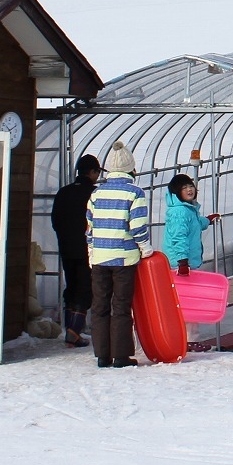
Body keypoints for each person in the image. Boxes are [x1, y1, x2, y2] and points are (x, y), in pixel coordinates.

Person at [86, 142, 151, 368]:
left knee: (100, 305)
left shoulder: (96, 193)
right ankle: (121, 356)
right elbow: (138, 227)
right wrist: (145, 248)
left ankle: (102, 355)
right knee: (121, 306)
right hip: (124, 258)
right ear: (131, 168)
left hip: (99, 258)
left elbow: (90, 226)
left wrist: (91, 250)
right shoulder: (135, 193)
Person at [50, 154, 103, 348]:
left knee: (71, 286)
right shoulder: (95, 194)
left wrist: (65, 237)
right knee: (85, 288)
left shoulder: (63, 193)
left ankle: (70, 330)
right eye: (97, 172)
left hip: (66, 247)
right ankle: (74, 332)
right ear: (92, 172)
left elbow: (55, 220)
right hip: (87, 249)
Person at [162, 174, 219, 276]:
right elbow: (179, 237)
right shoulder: (179, 212)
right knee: (183, 290)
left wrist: (208, 220)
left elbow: (194, 224)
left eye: (191, 186)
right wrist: (182, 261)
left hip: (187, 262)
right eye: (184, 188)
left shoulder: (187, 209)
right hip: (180, 264)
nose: (189, 189)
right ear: (176, 192)